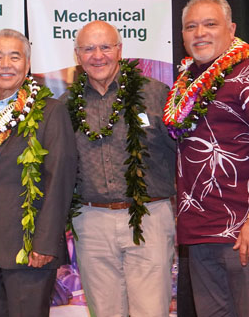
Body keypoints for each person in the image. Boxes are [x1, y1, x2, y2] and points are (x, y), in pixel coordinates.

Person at [170, 0, 249, 316]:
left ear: (231, 29)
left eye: (210, 24)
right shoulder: (186, 84)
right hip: (200, 232)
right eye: (191, 26)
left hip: (246, 232)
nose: (199, 33)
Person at [59, 21, 177, 317]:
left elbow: (184, 156)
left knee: (151, 311)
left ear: (120, 50)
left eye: (105, 47)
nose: (97, 55)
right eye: (88, 49)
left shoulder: (156, 94)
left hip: (149, 217)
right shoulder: (65, 105)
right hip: (91, 221)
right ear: (77, 55)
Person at [0, 28, 76, 317]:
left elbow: (59, 179)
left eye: (15, 56)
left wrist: (46, 242)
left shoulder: (50, 111)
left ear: (27, 64)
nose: (6, 64)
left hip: (30, 248)